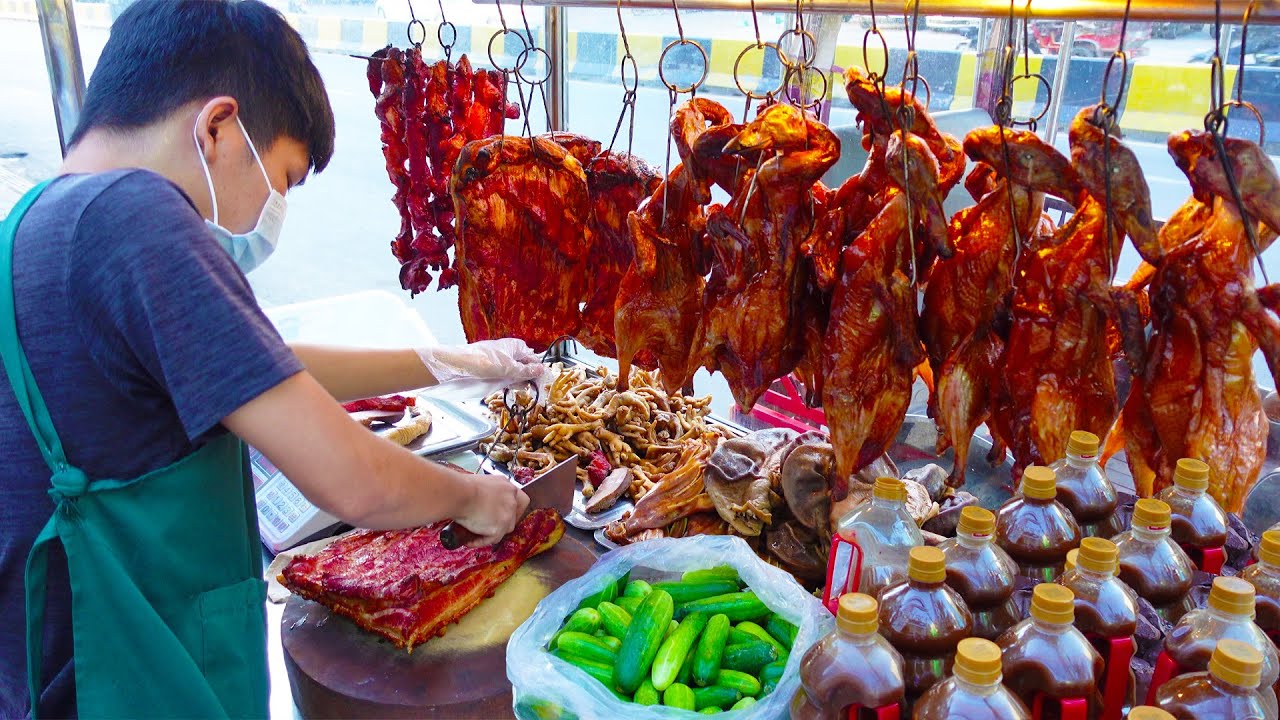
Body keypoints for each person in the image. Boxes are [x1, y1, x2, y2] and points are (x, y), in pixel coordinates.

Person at [0, 1, 539, 717]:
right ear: (218, 126)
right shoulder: (135, 217)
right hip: (130, 681)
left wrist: (441, 361)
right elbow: (356, 483)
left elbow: (261, 365)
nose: (267, 211)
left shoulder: (39, 222)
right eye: (280, 180)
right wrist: (477, 499)